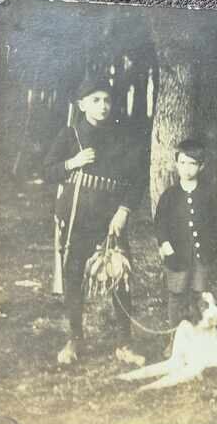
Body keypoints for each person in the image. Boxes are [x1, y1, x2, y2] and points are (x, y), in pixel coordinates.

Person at [45, 74, 148, 363]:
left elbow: (137, 180)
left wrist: (124, 210)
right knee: (73, 276)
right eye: (95, 100)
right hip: (76, 220)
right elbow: (47, 170)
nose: (103, 106)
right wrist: (72, 162)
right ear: (82, 104)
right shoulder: (70, 135)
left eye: (106, 100)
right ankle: (74, 339)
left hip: (110, 220)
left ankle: (125, 343)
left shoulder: (122, 136)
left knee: (119, 276)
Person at [154, 139, 217, 327]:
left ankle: (199, 331)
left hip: (202, 254)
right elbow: (160, 223)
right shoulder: (170, 195)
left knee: (199, 294)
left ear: (201, 166)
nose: (186, 168)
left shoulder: (210, 193)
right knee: (176, 295)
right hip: (176, 253)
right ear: (176, 164)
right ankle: (175, 335)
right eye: (182, 162)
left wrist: (212, 243)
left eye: (192, 163)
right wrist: (165, 244)